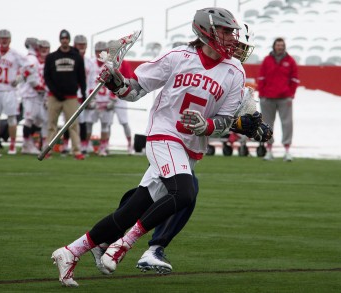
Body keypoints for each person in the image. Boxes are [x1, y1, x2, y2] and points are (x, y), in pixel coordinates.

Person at [51, 7, 262, 287]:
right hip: (163, 136)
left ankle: (70, 251)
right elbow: (135, 89)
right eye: (225, 32)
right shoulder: (178, 57)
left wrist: (208, 126)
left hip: (188, 148)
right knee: (185, 192)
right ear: (206, 31)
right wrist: (116, 83)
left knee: (129, 211)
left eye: (232, 33)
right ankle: (124, 244)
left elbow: (224, 120)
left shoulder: (235, 70)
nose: (231, 39)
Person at [43, 29, 87, 160]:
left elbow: (82, 77)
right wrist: (55, 91)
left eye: (66, 38)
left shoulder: (76, 57)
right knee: (51, 124)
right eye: (62, 39)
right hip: (54, 96)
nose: (64, 41)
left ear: (69, 40)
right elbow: (47, 76)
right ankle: (47, 150)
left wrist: (83, 93)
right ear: (59, 40)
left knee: (73, 125)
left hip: (71, 97)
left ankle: (76, 151)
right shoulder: (52, 57)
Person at [257, 37, 299, 161]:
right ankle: (269, 151)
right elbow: (261, 78)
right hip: (267, 98)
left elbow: (295, 79)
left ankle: (287, 151)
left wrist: (291, 94)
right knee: (267, 124)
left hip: (284, 98)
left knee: (287, 124)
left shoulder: (290, 61)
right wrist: (262, 93)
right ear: (274, 46)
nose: (280, 47)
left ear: (284, 46)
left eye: (282, 45)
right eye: (278, 45)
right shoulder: (267, 60)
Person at [0, 29, 26, 155]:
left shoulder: (15, 54)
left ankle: (12, 145)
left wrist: (19, 78)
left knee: (12, 118)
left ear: (10, 40)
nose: (4, 40)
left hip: (9, 90)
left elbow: (29, 67)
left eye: (6, 38)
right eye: (2, 38)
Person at [107, 40, 134, 154]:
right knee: (107, 123)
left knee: (124, 122)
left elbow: (128, 80)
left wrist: (117, 95)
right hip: (108, 97)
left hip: (120, 97)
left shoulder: (125, 63)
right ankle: (105, 144)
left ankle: (129, 144)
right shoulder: (106, 63)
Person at [19, 37, 45, 155]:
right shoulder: (31, 59)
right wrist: (38, 87)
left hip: (34, 93)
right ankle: (26, 144)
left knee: (38, 119)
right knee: (29, 119)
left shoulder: (33, 59)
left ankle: (29, 142)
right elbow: (29, 76)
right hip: (30, 93)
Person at [73, 34, 93, 155]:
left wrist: (90, 96)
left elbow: (91, 81)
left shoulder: (89, 62)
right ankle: (66, 145)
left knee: (83, 121)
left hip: (84, 95)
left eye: (84, 44)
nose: (82, 47)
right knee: (69, 121)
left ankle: (83, 145)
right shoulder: (72, 59)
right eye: (80, 44)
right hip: (72, 94)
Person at [37, 40, 51, 150]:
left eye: (46, 47)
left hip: (46, 94)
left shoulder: (51, 62)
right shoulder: (33, 61)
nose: (44, 50)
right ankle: (29, 142)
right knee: (32, 119)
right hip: (34, 95)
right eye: (42, 47)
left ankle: (43, 143)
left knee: (46, 121)